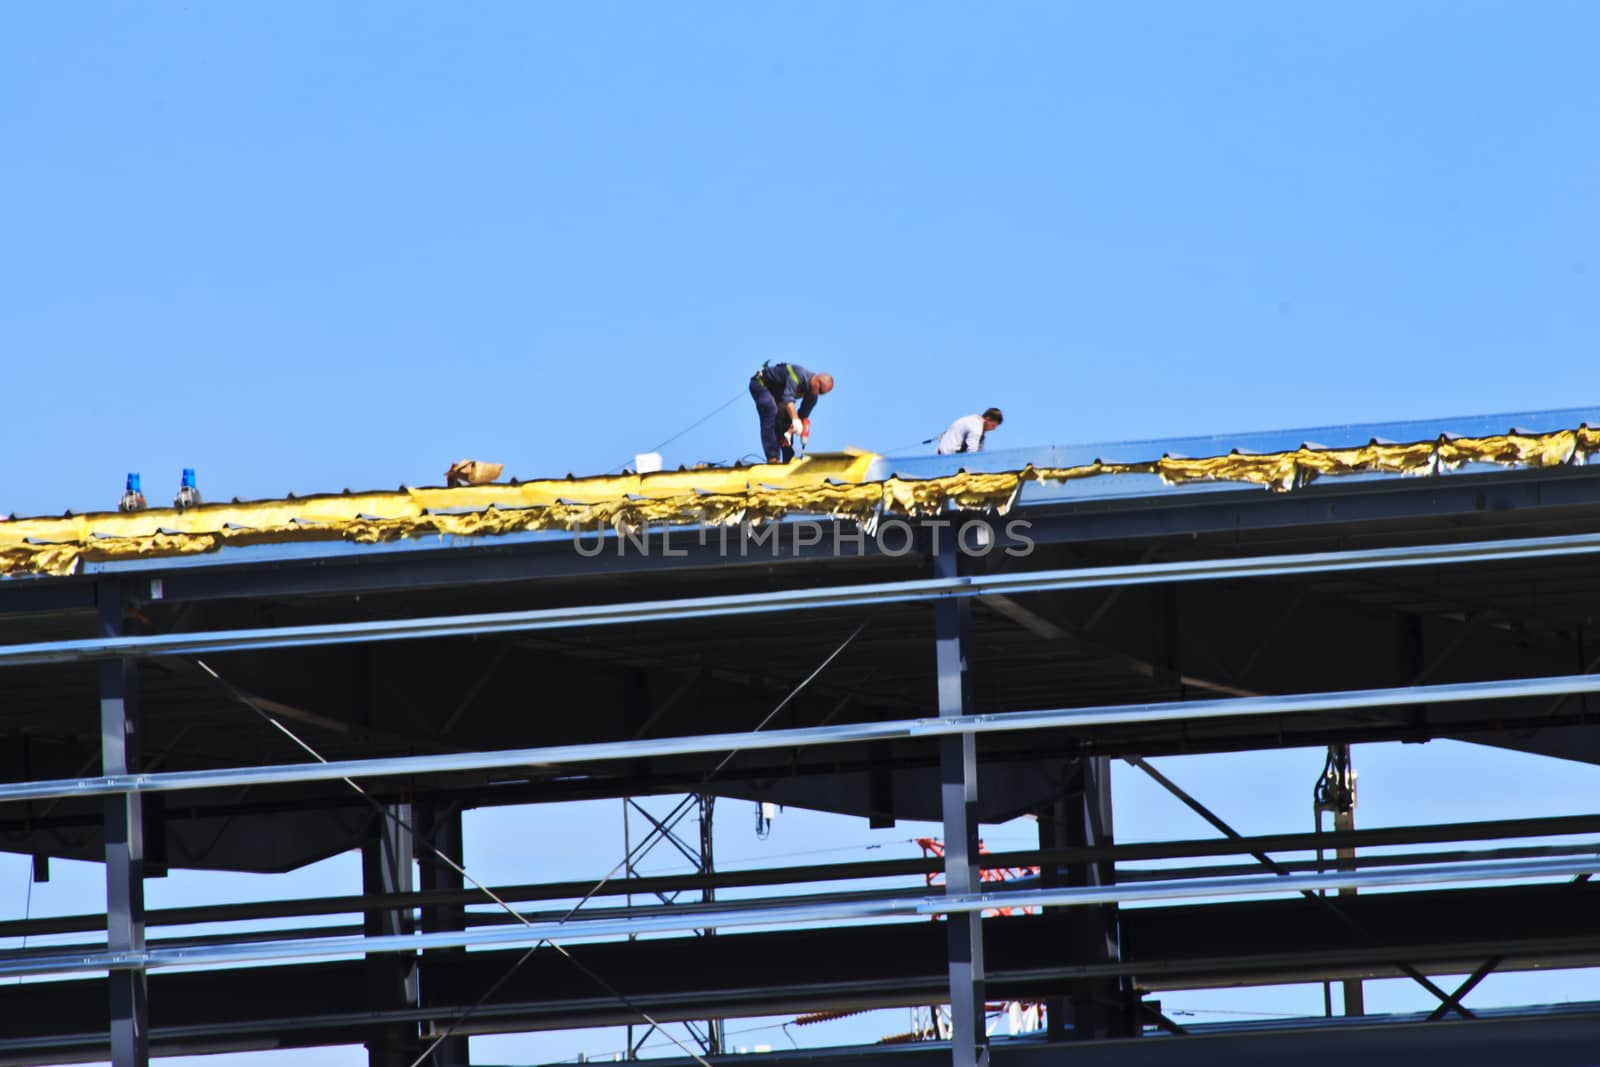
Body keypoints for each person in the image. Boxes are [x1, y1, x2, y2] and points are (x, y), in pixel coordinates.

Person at [749, 362, 834, 463]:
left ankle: (788, 460)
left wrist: (790, 430)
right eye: (820, 390)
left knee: (787, 421)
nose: (818, 393)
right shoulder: (798, 374)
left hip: (778, 397)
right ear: (817, 380)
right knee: (770, 410)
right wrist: (795, 419)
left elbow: (801, 416)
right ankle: (772, 458)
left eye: (822, 393)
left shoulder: (812, 397)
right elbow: (788, 399)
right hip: (761, 385)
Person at [936, 407, 1004, 455]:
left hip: (942, 454)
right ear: (988, 419)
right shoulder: (976, 427)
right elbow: (972, 451)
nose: (993, 429)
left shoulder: (972, 420)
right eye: (993, 425)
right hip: (951, 456)